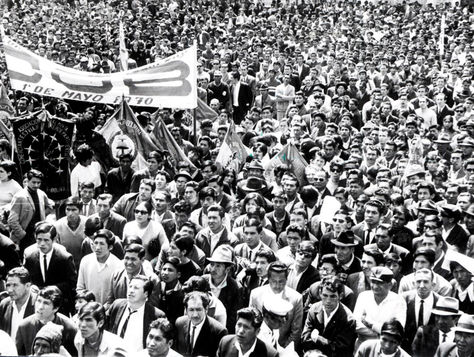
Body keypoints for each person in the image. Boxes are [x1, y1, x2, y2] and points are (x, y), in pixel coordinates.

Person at [23, 221, 77, 315]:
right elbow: (26, 279)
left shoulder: (65, 258)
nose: (42, 244)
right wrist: (31, 286)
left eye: (46, 240)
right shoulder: (29, 257)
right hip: (37, 306)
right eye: (39, 239)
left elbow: (71, 283)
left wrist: (51, 288)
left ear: (54, 239)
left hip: (58, 307)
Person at [249, 261, 303, 348]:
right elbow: (250, 324)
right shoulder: (255, 294)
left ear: (286, 279)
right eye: (273, 281)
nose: (277, 286)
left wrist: (282, 352)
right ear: (268, 279)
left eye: (281, 282)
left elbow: (296, 332)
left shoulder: (296, 298)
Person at [107, 275, 165, 352]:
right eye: (130, 286)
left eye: (136, 288)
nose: (131, 290)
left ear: (146, 294)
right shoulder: (117, 305)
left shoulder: (156, 315)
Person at [353, 267, 407, 349]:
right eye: (373, 282)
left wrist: (371, 324)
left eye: (380, 283)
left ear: (390, 285)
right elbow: (355, 324)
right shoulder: (363, 296)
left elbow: (397, 330)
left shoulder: (398, 301)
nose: (375, 286)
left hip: (387, 348)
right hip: (363, 347)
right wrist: (380, 334)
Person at [301, 276, 356, 356]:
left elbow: (339, 349)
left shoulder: (348, 319)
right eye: (325, 295)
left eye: (333, 296)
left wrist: (317, 338)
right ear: (320, 294)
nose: (328, 301)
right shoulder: (314, 309)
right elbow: (304, 338)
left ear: (340, 296)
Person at [16, 286, 77, 356]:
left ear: (56, 308)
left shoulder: (70, 328)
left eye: (46, 303)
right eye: (38, 301)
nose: (40, 307)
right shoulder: (24, 326)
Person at [8, 169, 53, 252]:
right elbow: (12, 220)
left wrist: (42, 215)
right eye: (33, 182)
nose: (36, 185)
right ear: (28, 181)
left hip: (39, 233)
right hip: (25, 236)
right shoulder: (19, 196)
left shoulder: (41, 193)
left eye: (38, 183)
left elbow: (50, 206)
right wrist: (22, 234)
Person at [106, 243, 160, 309]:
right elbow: (110, 302)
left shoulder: (152, 280)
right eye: (127, 258)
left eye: (133, 259)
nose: (129, 262)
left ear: (142, 260)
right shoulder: (116, 275)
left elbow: (152, 308)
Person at [174, 291, 227, 357]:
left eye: (198, 309)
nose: (195, 315)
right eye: (191, 310)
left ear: (206, 309)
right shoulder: (179, 323)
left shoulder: (219, 331)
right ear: (186, 310)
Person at [203, 244, 242, 333]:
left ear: (227, 269)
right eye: (212, 264)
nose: (213, 269)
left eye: (218, 266)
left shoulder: (236, 288)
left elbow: (233, 319)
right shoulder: (202, 281)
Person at [77, 229, 123, 305]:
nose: (97, 247)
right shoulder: (85, 261)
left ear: (110, 247)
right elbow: (80, 288)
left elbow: (116, 296)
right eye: (96, 243)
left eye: (102, 244)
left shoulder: (118, 266)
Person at [401, 268, 440, 354]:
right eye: (418, 282)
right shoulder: (403, 299)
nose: (421, 286)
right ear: (413, 284)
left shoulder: (440, 302)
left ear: (433, 285)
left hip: (431, 351)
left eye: (426, 282)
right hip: (406, 350)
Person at [0, 267, 36, 340]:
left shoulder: (38, 305)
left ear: (27, 286)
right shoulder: (4, 305)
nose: (10, 290)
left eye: (15, 285)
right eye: (8, 285)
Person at [54, 196, 87, 269]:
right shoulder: (58, 225)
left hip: (84, 264)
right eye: (68, 209)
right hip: (65, 265)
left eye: (74, 210)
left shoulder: (87, 223)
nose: (70, 213)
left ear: (80, 211)